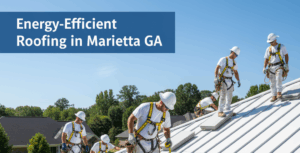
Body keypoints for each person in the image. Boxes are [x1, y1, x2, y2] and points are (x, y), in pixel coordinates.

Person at [214, 46, 241, 117]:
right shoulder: (223, 59)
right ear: (232, 52)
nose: (236, 56)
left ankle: (228, 110)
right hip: (223, 80)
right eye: (236, 55)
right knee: (223, 95)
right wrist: (216, 78)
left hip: (230, 81)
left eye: (237, 55)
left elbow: (235, 72)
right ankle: (220, 111)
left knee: (230, 96)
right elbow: (217, 68)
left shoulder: (234, 62)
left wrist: (238, 80)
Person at [263, 33, 289, 102]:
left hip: (279, 66)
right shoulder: (268, 49)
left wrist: (286, 64)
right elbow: (266, 59)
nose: (270, 43)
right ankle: (273, 96)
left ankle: (279, 93)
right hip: (271, 67)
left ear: (275, 40)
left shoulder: (281, 46)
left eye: (271, 42)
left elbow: (286, 55)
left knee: (278, 78)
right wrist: (264, 67)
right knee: (272, 82)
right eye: (270, 42)